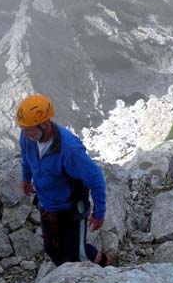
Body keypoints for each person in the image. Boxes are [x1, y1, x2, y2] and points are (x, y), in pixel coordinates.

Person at [16, 93, 115, 267]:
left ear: (45, 125)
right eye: (24, 128)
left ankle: (105, 263)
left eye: (29, 129)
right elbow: (26, 158)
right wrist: (26, 179)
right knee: (52, 249)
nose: (25, 133)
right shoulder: (28, 138)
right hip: (47, 206)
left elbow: (95, 178)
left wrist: (99, 213)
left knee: (77, 256)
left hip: (72, 210)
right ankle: (73, 270)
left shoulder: (68, 149)